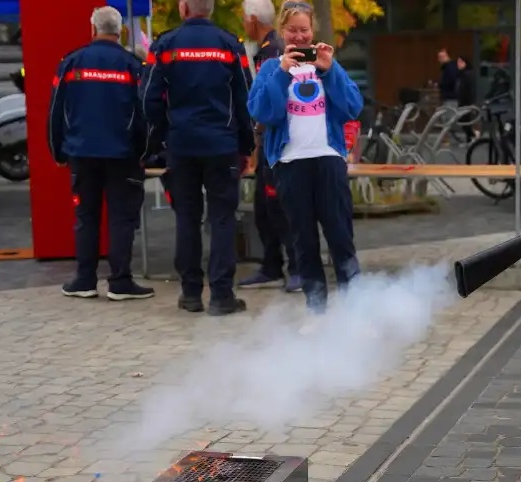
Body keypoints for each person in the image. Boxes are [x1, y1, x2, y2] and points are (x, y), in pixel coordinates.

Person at [249, 0, 364, 317]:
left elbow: (352, 106)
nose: (299, 37)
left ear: (312, 30)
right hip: (290, 164)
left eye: (304, 30)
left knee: (340, 237)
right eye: (292, 30)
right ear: (282, 31)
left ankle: (355, 313)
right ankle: (317, 312)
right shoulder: (272, 68)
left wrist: (329, 72)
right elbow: (261, 112)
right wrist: (282, 75)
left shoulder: (327, 63)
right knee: (303, 242)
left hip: (327, 160)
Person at [142, 0, 256, 316]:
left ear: (183, 8)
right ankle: (221, 295)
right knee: (221, 219)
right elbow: (245, 96)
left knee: (187, 218)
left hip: (181, 145)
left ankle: (190, 293)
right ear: (211, 8)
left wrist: (160, 138)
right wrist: (244, 145)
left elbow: (148, 97)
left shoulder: (164, 45)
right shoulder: (230, 45)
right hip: (222, 145)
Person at [48, 6, 154, 301]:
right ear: (120, 31)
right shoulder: (133, 66)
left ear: (92, 28)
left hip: (81, 153)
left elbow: (56, 110)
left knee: (86, 215)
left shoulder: (71, 63)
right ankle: (120, 282)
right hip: (124, 155)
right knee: (122, 219)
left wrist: (57, 150)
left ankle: (84, 280)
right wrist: (146, 152)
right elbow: (146, 113)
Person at [237, 0, 301, 293]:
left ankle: (296, 267)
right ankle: (271, 265)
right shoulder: (266, 49)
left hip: (278, 143)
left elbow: (273, 99)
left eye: (243, 19)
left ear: (252, 18)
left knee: (280, 208)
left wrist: (259, 136)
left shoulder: (274, 52)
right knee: (264, 209)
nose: (242, 25)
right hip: (266, 144)